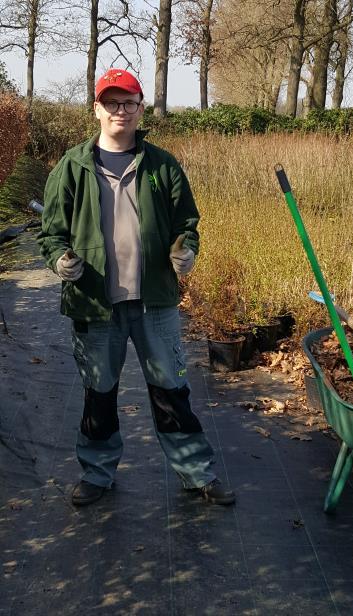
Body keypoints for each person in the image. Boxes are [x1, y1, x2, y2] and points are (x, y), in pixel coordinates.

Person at [38, 68, 235, 507]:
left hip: (155, 303)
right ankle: (97, 473)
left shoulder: (162, 166)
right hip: (95, 305)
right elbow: (51, 234)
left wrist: (185, 252)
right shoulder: (70, 168)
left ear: (141, 108)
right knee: (99, 395)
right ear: (96, 110)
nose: (119, 110)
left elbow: (187, 224)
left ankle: (197, 473)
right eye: (111, 103)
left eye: (128, 102)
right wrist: (60, 261)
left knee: (172, 393)